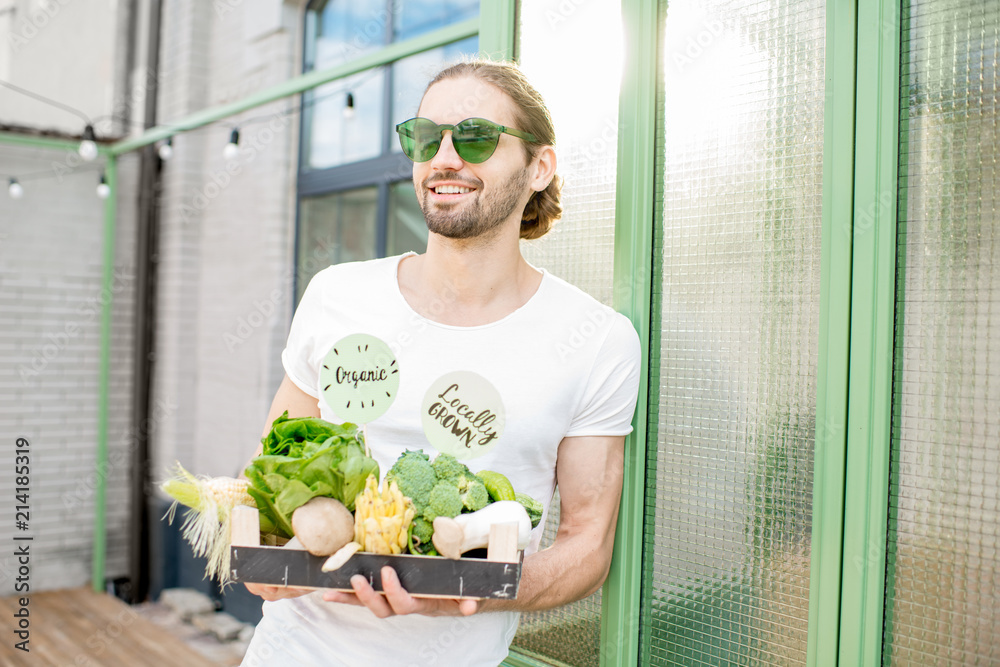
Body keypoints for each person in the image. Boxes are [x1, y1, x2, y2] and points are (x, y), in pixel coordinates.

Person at [240, 59, 641, 666]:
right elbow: (270, 471)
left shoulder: (596, 340)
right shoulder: (336, 295)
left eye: (475, 136)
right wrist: (261, 556)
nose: (444, 158)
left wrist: (459, 594)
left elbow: (587, 550)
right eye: (426, 138)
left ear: (540, 166)